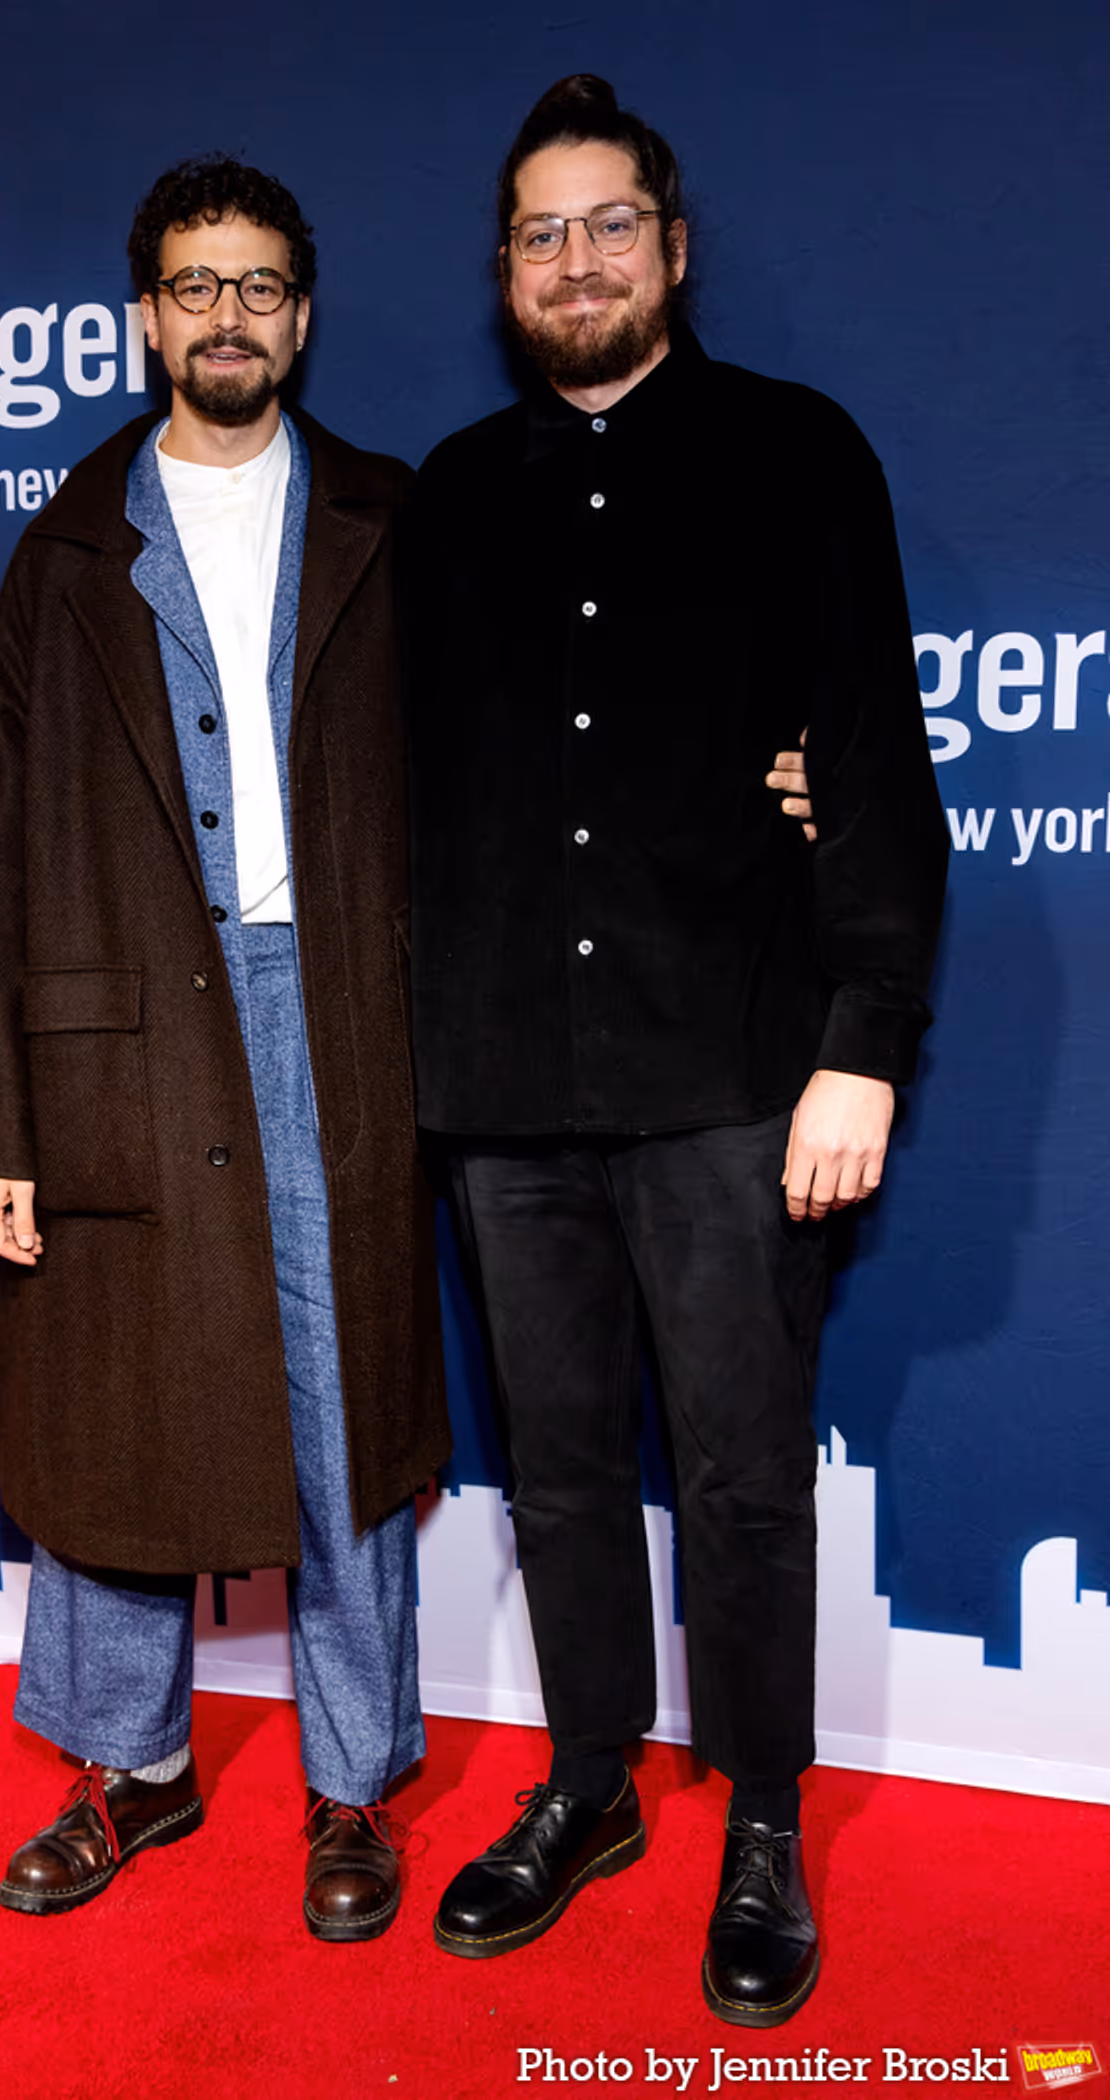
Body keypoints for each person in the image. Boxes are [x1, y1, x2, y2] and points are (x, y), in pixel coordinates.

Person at [407, 76, 948, 2025]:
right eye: (541, 235)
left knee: (736, 1481)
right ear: (504, 272)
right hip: (503, 1086)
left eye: (608, 223)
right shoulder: (447, 498)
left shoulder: (802, 458)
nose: (577, 261)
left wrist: (861, 1042)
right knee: (553, 1473)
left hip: (733, 1075)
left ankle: (765, 1822)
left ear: (673, 244)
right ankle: (581, 1788)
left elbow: (872, 762)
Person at [0, 154, 450, 1941]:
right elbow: (4, 840)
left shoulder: (392, 518)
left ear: (299, 312)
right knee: (119, 1420)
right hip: (121, 1030)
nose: (225, 314)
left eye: (258, 284)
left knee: (345, 1408)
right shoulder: (65, 550)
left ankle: (354, 1790)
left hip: (339, 1016)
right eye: (192, 284)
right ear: (145, 313)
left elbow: (517, 769)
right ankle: (129, 1772)